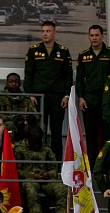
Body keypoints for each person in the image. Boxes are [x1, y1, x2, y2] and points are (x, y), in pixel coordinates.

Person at [23, 21, 72, 156]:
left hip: (57, 97)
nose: (45, 34)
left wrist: (66, 95)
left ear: (54, 33)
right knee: (38, 130)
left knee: (56, 131)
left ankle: (56, 162)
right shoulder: (33, 50)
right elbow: (28, 74)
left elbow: (68, 75)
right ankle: (39, 160)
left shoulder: (63, 51)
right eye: (43, 31)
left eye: (48, 31)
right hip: (39, 97)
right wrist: (30, 94)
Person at [75, 25, 110, 160]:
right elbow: (79, 79)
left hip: (106, 99)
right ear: (89, 37)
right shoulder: (83, 55)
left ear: (102, 36)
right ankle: (92, 167)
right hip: (89, 99)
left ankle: (107, 164)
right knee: (90, 135)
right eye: (91, 35)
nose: (94, 38)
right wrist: (80, 97)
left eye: (96, 35)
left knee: (108, 133)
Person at [15, 125, 69, 213]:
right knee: (31, 190)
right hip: (28, 180)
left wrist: (47, 174)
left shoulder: (47, 150)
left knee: (62, 189)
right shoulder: (19, 150)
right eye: (33, 142)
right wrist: (33, 176)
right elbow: (17, 170)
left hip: (45, 180)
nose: (36, 145)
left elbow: (54, 168)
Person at [0, 73, 38, 143]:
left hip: (23, 127)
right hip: (6, 127)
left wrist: (31, 117)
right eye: (11, 82)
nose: (13, 84)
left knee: (39, 125)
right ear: (6, 84)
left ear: (20, 84)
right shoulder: (0, 97)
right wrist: (17, 117)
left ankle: (37, 148)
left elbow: (36, 115)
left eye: (16, 82)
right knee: (10, 124)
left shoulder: (26, 98)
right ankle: (10, 148)